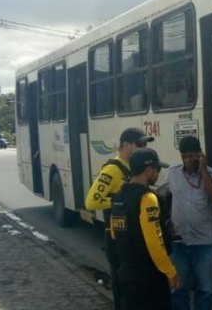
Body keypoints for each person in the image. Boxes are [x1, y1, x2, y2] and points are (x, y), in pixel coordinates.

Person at [84, 127, 154, 310]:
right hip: (115, 238)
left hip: (131, 237)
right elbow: (91, 202)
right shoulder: (112, 170)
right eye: (140, 144)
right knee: (122, 287)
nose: (143, 147)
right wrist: (119, 202)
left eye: (145, 144)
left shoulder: (134, 167)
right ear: (125, 145)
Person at [110, 148, 181, 310]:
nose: (158, 174)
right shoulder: (148, 198)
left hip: (125, 274)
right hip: (148, 278)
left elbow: (115, 234)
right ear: (148, 170)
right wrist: (170, 271)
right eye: (157, 169)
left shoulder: (118, 197)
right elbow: (154, 242)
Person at [167, 136, 212, 310]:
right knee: (178, 288)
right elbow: (162, 196)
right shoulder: (173, 173)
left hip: (204, 244)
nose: (187, 160)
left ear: (200, 155)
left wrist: (203, 171)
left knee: (205, 289)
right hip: (179, 242)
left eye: (191, 156)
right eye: (184, 156)